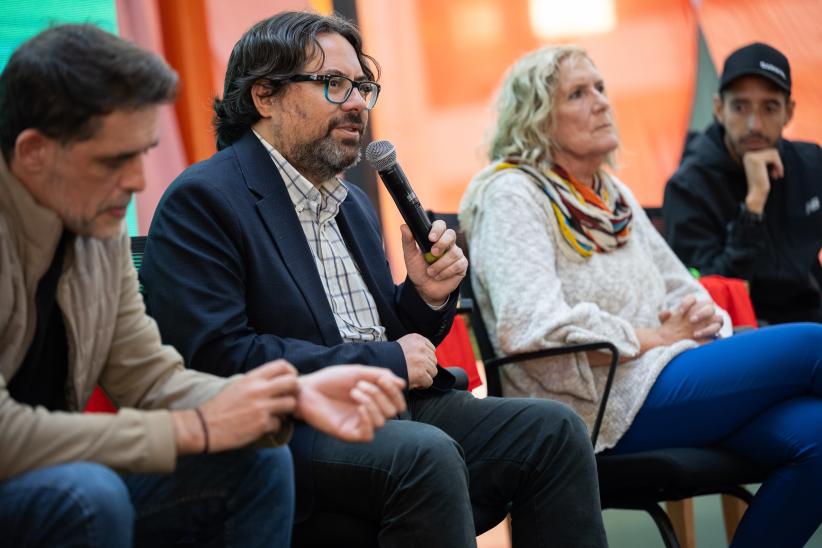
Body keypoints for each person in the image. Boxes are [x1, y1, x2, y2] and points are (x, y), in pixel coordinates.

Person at [140, 11, 607, 548]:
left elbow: (384, 336)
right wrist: (385, 362)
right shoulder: (205, 199)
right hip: (288, 429)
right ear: (264, 96)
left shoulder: (350, 202)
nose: (358, 102)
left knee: (554, 430)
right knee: (423, 454)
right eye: (334, 84)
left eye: (363, 86)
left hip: (389, 410)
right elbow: (219, 358)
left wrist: (423, 300)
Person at [0, 24, 406, 548]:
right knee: (87, 491)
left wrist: (291, 395)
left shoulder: (92, 231)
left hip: (58, 470)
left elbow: (150, 380)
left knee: (258, 456)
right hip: (46, 475)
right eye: (112, 160)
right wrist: (192, 430)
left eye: (141, 155)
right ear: (33, 153)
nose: (137, 183)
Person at [459, 45, 822, 548]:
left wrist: (703, 313)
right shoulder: (510, 194)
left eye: (601, 89)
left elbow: (681, 285)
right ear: (537, 117)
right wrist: (651, 335)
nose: (603, 103)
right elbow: (526, 325)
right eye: (578, 94)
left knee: (817, 436)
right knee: (814, 345)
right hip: (595, 405)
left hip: (664, 376)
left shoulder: (610, 193)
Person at [663, 42, 822, 324]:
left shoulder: (810, 163)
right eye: (740, 107)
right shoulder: (688, 187)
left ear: (789, 112)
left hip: (811, 319)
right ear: (719, 109)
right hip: (739, 332)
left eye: (769, 108)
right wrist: (753, 207)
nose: (755, 125)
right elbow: (706, 295)